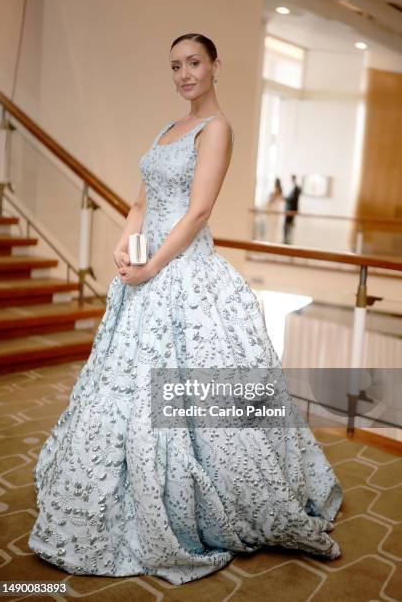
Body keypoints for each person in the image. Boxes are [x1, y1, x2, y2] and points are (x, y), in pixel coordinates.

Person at [28, 33, 343, 585]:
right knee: (120, 394)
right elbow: (140, 201)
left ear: (216, 65)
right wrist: (127, 243)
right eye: (176, 66)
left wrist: (152, 268)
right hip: (145, 274)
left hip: (187, 277)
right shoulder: (165, 129)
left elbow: (197, 213)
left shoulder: (216, 129)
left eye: (194, 63)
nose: (184, 74)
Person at [283, 174, 302, 244]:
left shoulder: (296, 188)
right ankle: (286, 241)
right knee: (287, 227)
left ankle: (287, 242)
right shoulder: (294, 188)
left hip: (291, 211)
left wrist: (285, 198)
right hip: (289, 211)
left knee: (289, 227)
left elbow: (293, 200)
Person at [265, 177, 284, 242]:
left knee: (273, 228)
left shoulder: (277, 190)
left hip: (275, 212)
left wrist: (268, 202)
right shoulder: (279, 191)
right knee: (273, 228)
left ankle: (272, 241)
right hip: (276, 211)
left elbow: (272, 200)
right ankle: (272, 240)